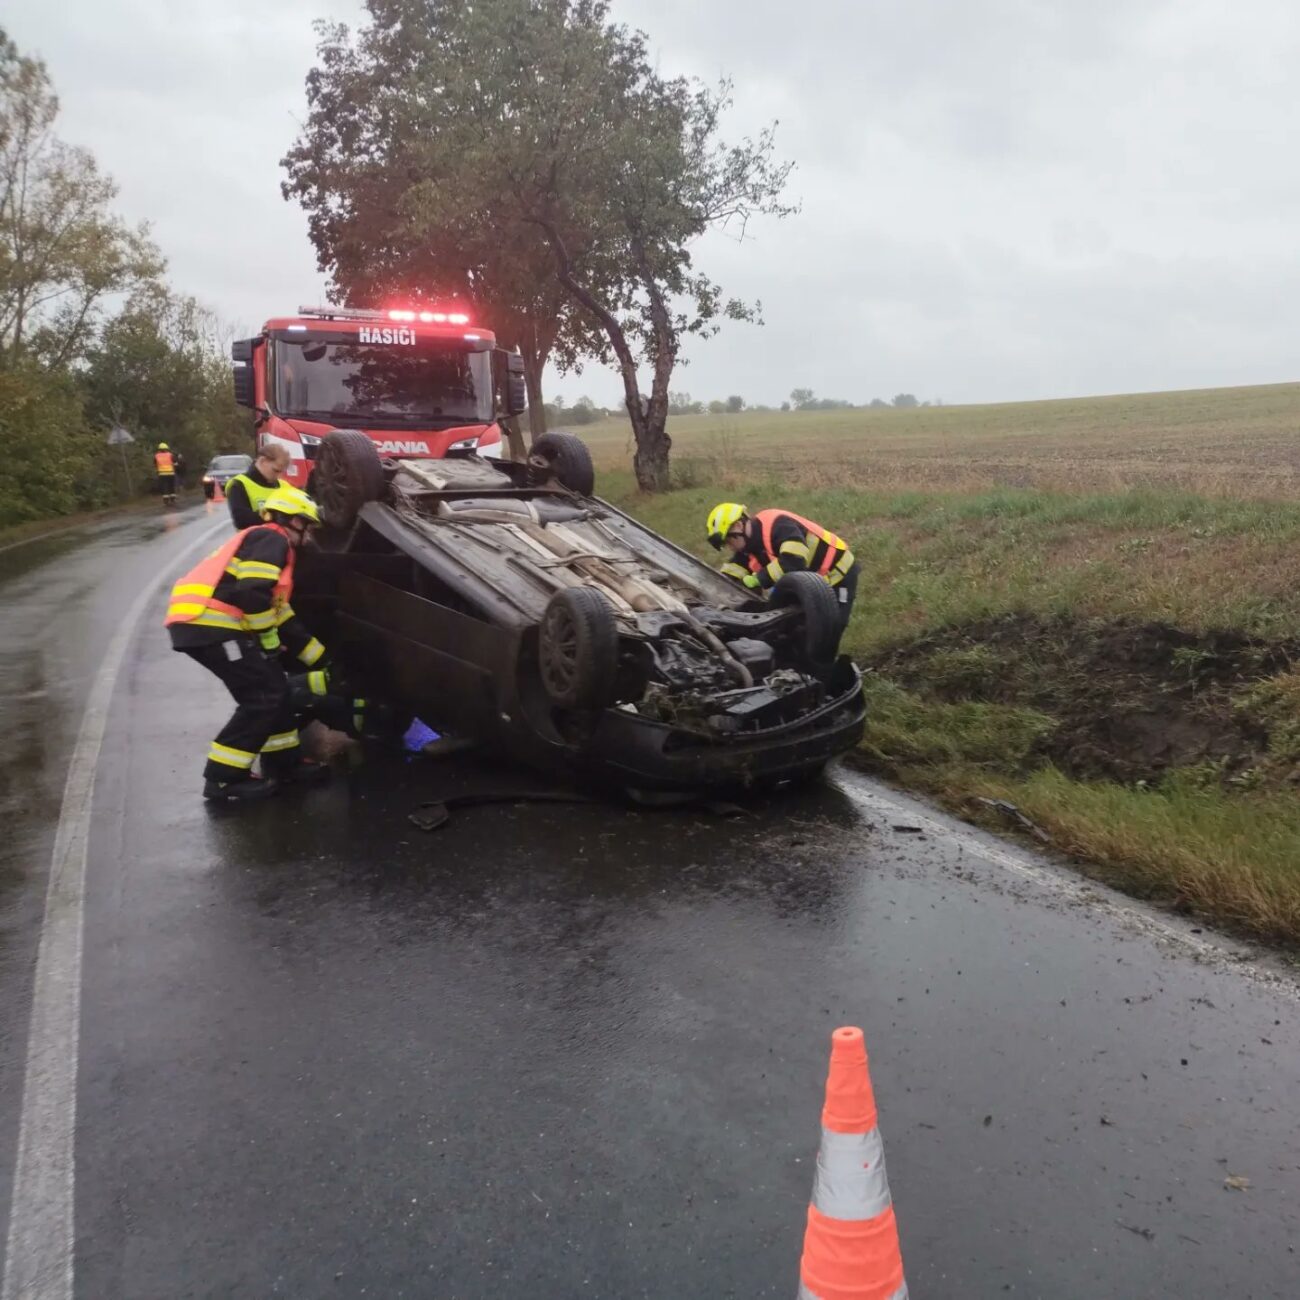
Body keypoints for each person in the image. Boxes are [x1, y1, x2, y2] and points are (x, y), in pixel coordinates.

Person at [165, 489, 333, 802]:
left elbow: (280, 614)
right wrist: (268, 642)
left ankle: (285, 764)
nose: (309, 535)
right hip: (211, 626)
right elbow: (252, 592)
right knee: (261, 695)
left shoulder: (270, 545)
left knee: (275, 690)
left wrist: (321, 658)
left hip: (210, 626)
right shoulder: (274, 538)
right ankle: (224, 779)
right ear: (293, 520)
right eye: (308, 526)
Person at [706, 502, 860, 629]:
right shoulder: (748, 545)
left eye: (729, 541)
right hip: (811, 582)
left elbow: (793, 561)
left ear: (739, 526)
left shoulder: (777, 524)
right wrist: (715, 589)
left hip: (838, 573)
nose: (730, 547)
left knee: (831, 626)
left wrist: (758, 579)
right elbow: (734, 569)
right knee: (795, 625)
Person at [226, 443, 291, 529]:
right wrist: (275, 515)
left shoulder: (284, 486)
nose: (279, 476)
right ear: (263, 461)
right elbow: (241, 520)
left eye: (282, 472)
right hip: (255, 540)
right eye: (275, 470)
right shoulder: (239, 484)